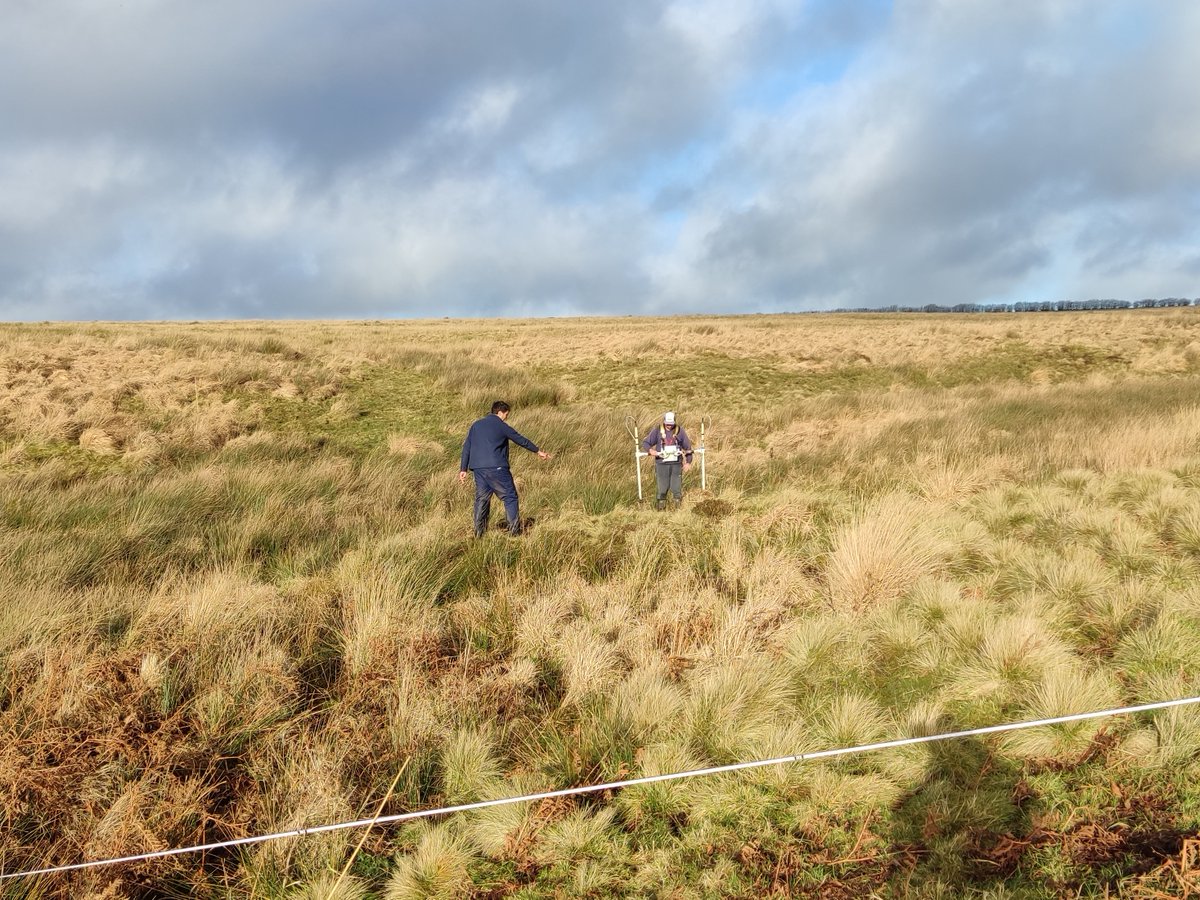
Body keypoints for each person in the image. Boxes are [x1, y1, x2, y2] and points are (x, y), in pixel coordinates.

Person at [459, 400, 551, 536]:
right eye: (506, 414)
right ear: (500, 412)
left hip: (478, 469)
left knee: (482, 499)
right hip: (497, 468)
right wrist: (538, 451)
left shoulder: (476, 425)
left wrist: (463, 469)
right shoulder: (501, 425)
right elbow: (520, 439)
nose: (506, 417)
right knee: (510, 497)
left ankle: (479, 533)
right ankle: (514, 532)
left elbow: (467, 447)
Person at [642, 411, 693, 510]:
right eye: (667, 424)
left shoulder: (680, 431)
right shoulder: (657, 431)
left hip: (676, 464)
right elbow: (646, 443)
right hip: (661, 464)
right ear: (664, 422)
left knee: (676, 488)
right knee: (662, 488)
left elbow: (688, 448)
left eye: (671, 424)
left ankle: (677, 510)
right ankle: (661, 510)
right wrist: (651, 450)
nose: (669, 426)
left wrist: (688, 462)